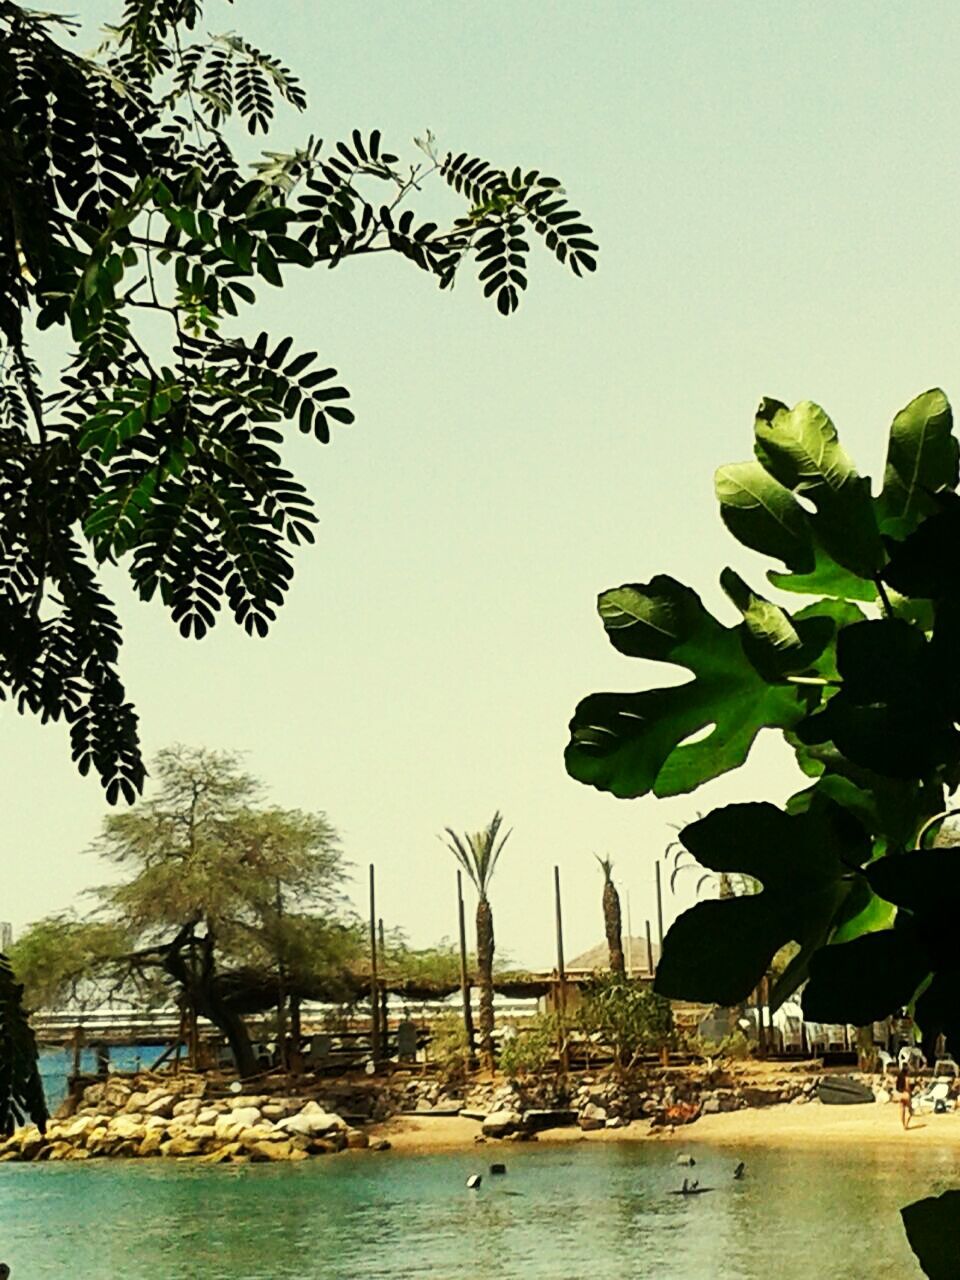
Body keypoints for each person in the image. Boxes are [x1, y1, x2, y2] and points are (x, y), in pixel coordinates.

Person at [896, 1063, 914, 1130]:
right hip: (907, 1094)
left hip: (901, 1095)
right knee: (910, 1111)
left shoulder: (899, 1077)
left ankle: (903, 1125)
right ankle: (906, 1124)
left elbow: (897, 1088)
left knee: (902, 1111)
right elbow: (911, 1087)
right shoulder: (908, 1079)